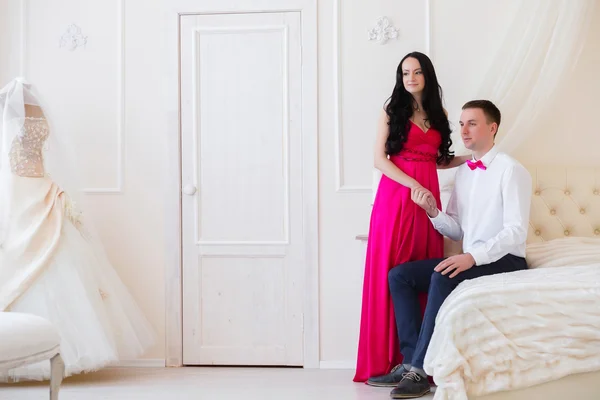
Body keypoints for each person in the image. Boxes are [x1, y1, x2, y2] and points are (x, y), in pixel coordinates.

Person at [0, 77, 156, 382]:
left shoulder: (9, 121)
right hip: (38, 192)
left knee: (39, 260)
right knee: (55, 261)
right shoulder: (39, 117)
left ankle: (37, 351)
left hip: (26, 195)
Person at [377, 99, 532, 399]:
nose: (464, 130)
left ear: (492, 127)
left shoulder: (512, 170)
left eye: (472, 123)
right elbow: (458, 229)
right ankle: (410, 359)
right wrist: (433, 212)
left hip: (505, 260)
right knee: (400, 276)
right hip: (471, 257)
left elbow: (515, 232)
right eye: (461, 124)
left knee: (441, 276)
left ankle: (421, 372)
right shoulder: (464, 173)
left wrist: (471, 257)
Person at [354, 52, 469, 383]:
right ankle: (389, 360)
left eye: (417, 72)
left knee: (421, 271)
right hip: (398, 198)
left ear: (427, 76)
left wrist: (472, 158)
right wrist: (415, 185)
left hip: (426, 201)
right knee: (391, 270)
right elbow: (380, 159)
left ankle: (418, 362)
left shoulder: (439, 113)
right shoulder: (392, 110)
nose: (411, 78)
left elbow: (438, 159)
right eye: (405, 72)